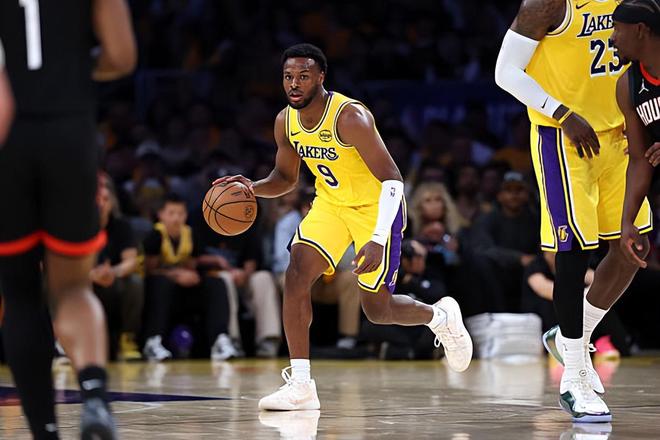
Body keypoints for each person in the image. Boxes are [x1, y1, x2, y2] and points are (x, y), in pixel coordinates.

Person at [216, 43, 473, 411]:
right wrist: (251, 188)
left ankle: (440, 316)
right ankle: (301, 385)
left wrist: (378, 239)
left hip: (376, 208)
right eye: (288, 76)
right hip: (332, 204)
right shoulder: (285, 121)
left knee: (377, 310)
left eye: (303, 76)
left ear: (321, 77)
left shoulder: (350, 117)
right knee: (296, 274)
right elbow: (285, 178)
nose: (294, 84)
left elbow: (393, 180)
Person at [495, 0, 656, 422]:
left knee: (633, 248)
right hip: (564, 136)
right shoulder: (547, 5)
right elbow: (505, 72)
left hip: (620, 134)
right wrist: (562, 113)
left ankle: (572, 335)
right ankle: (574, 376)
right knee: (573, 253)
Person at [0, 1, 136, 438]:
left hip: (9, 138)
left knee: (20, 297)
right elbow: (121, 56)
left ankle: (45, 431)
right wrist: (75, 66)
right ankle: (94, 396)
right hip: (69, 131)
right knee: (74, 287)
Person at [142, 194, 235, 362]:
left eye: (180, 213)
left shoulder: (190, 234)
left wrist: (191, 275)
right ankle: (153, 341)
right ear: (161, 215)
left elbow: (191, 265)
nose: (176, 218)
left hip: (182, 291)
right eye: (171, 213)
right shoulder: (155, 235)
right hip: (159, 289)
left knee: (216, 283)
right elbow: (150, 271)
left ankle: (220, 340)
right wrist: (175, 275)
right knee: (160, 283)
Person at [610, 0, 660, 268]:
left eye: (617, 28)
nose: (612, 38)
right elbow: (640, 159)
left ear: (640, 29)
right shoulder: (627, 86)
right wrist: (627, 221)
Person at [92, 174, 142, 361]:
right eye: (97, 199)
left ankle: (127, 339)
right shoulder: (77, 226)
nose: (101, 204)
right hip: (85, 281)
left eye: (105, 199)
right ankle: (61, 341)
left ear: (112, 202)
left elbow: (131, 261)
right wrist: (91, 275)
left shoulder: (122, 226)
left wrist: (111, 272)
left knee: (135, 282)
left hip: (113, 281)